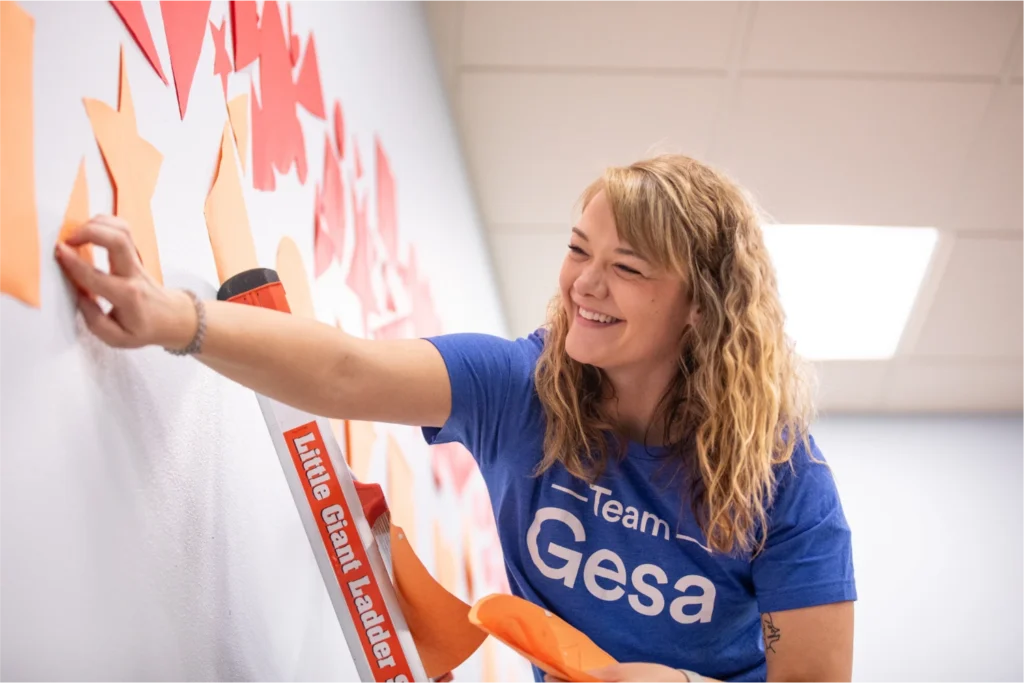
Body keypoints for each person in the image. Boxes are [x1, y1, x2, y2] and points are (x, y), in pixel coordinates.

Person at [55, 154, 856, 683]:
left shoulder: (784, 480)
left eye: (627, 268)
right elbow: (346, 369)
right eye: (580, 250)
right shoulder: (524, 387)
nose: (584, 283)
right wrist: (174, 320)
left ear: (698, 309)